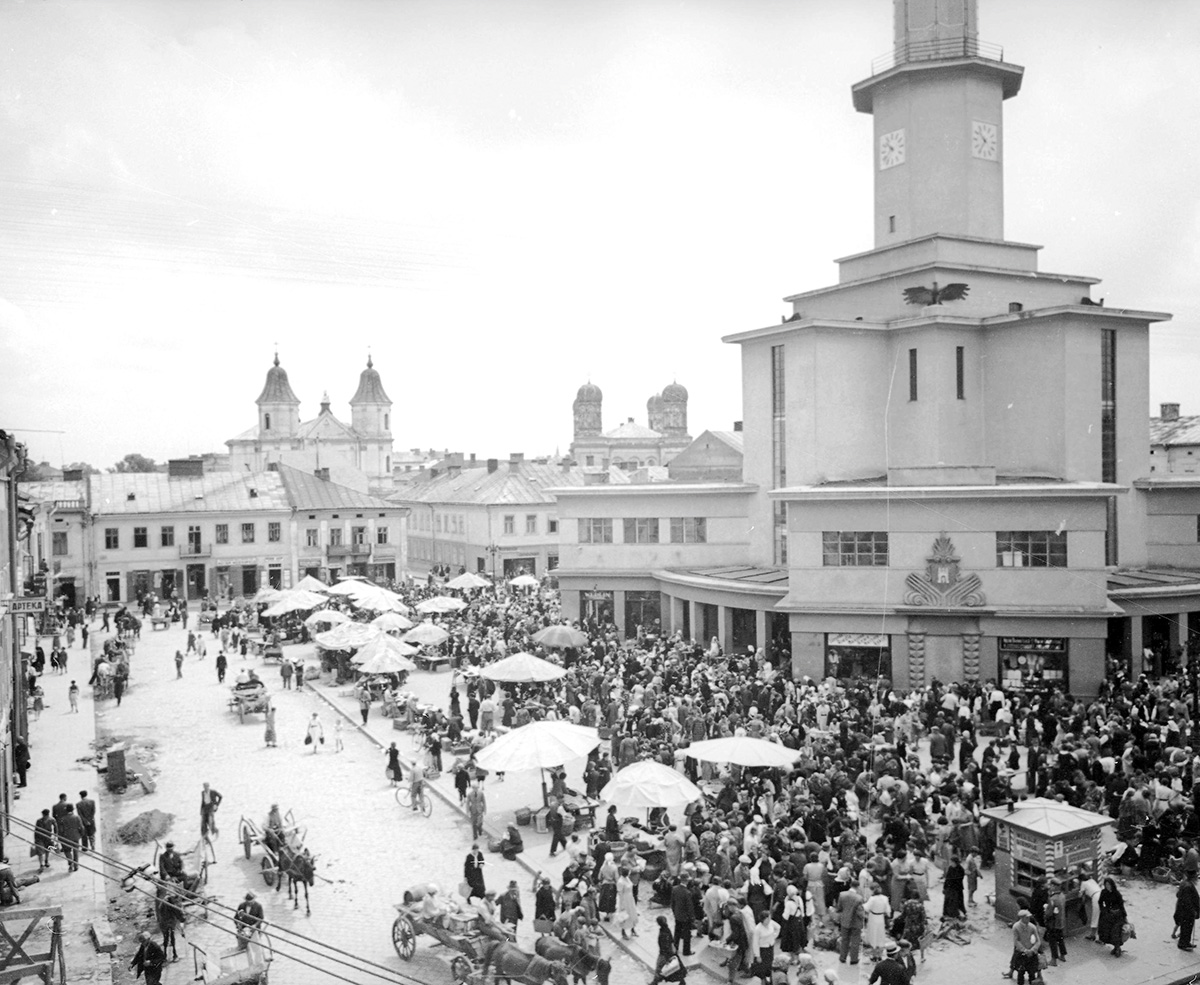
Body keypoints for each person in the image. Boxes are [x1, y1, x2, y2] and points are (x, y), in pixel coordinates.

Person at [1097, 877, 1127, 957]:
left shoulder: (1117, 894)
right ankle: (1115, 947)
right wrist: (1103, 910)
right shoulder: (1104, 892)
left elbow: (1121, 905)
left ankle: (1117, 948)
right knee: (1108, 932)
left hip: (1117, 916)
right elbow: (1100, 902)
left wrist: (1124, 916)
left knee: (1116, 932)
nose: (1107, 886)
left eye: (1109, 884)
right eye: (1106, 884)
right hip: (1108, 915)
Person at [1010, 910, 1041, 985]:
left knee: (1032, 973)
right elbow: (1016, 941)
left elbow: (1038, 941)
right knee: (1020, 973)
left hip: (1031, 953)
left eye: (1029, 917)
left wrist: (1032, 950)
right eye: (1027, 917)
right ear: (1022, 918)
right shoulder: (1016, 927)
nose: (1029, 919)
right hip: (1021, 953)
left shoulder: (1032, 927)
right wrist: (1024, 950)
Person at [836, 884, 864, 965]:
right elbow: (860, 913)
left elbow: (839, 907)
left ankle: (842, 958)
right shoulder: (859, 898)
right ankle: (853, 959)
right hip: (856, 922)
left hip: (845, 921)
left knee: (844, 940)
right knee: (855, 941)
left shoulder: (842, 894)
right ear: (857, 887)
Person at [752, 909, 781, 985]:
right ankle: (762, 981)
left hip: (770, 947)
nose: (769, 920)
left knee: (769, 964)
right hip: (762, 949)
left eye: (769, 918)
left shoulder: (771, 923)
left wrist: (774, 937)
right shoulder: (758, 929)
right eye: (767, 919)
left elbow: (778, 927)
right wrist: (757, 955)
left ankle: (768, 979)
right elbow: (755, 943)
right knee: (762, 967)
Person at [672, 875, 698, 956]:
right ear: (686, 881)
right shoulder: (687, 892)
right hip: (686, 917)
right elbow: (689, 907)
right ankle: (686, 951)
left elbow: (672, 903)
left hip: (677, 914)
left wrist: (675, 912)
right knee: (687, 934)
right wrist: (692, 917)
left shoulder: (674, 889)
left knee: (677, 932)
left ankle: (675, 948)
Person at [650, 914, 680, 985]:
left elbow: (665, 945)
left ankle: (655, 982)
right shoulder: (666, 929)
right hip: (668, 952)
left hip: (664, 954)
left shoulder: (663, 933)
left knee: (659, 968)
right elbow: (671, 940)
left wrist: (667, 955)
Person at [1045, 879, 1067, 966]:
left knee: (1052, 941)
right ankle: (1063, 955)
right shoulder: (1062, 896)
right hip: (1061, 922)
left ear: (1054, 886)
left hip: (1053, 923)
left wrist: (1045, 911)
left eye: (1051, 885)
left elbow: (1049, 913)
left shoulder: (1052, 899)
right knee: (1060, 939)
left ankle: (1053, 960)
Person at [1175, 874, 1199, 951]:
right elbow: (1187, 902)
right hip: (1187, 912)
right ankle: (1183, 944)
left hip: (1182, 910)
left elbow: (1178, 894)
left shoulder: (1184, 883)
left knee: (1185, 927)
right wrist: (1193, 911)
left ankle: (1185, 942)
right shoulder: (1188, 886)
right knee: (1187, 928)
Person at [57, 804, 84, 872]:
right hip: (75, 836)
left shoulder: (63, 818)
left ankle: (70, 863)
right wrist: (81, 835)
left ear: (66, 810)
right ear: (73, 810)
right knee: (75, 851)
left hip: (66, 837)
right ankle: (76, 866)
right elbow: (81, 827)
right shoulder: (77, 817)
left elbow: (61, 830)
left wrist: (60, 837)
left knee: (67, 851)